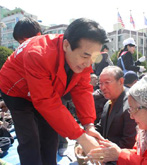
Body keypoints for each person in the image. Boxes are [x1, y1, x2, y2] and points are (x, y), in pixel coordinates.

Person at [0, 18, 106, 164]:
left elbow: (82, 89)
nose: (88, 64)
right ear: (66, 45)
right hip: (16, 91)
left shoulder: (83, 58)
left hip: (45, 90)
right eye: (85, 56)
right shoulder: (38, 54)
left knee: (50, 136)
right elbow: (46, 102)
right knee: (30, 139)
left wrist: (89, 125)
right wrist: (81, 138)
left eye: (93, 57)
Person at [97, 66, 137, 150]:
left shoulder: (131, 104)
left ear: (121, 81)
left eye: (107, 82)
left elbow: (129, 142)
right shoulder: (108, 102)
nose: (102, 87)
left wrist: (101, 152)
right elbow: (100, 128)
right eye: (100, 83)